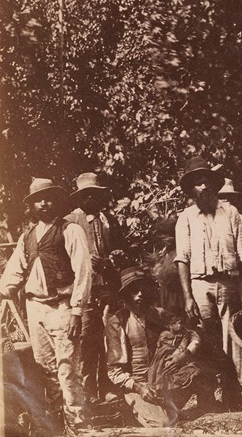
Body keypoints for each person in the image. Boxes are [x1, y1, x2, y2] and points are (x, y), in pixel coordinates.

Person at [0, 178, 92, 431]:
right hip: (35, 307)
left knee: (68, 368)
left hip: (62, 306)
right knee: (45, 368)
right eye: (38, 200)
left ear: (57, 201)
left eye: (49, 198)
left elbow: (83, 271)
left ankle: (77, 425)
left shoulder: (70, 231)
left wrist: (76, 310)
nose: (44, 203)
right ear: (30, 205)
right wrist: (4, 291)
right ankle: (57, 425)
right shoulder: (27, 236)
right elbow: (14, 274)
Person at [174, 156, 242, 410]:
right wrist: (187, 296)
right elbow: (182, 259)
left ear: (214, 186)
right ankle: (206, 396)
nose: (204, 187)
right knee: (204, 339)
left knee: (232, 338)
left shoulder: (230, 213)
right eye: (198, 183)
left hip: (229, 284)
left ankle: (232, 394)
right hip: (200, 285)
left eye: (207, 182)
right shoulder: (185, 218)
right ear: (191, 189)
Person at [105, 267, 210, 427]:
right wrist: (139, 387)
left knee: (199, 373)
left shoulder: (157, 314)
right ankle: (129, 409)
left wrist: (184, 353)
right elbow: (114, 371)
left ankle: (196, 408)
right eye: (134, 290)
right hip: (138, 385)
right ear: (125, 294)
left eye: (142, 289)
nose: (140, 294)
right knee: (163, 423)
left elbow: (192, 334)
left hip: (163, 380)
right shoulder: (118, 321)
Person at [65, 171, 124, 406]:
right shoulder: (70, 222)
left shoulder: (110, 220)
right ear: (79, 198)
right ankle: (88, 390)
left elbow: (121, 251)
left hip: (108, 288)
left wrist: (110, 262)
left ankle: (109, 386)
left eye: (95, 195)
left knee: (111, 338)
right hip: (84, 291)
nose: (91, 200)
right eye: (86, 195)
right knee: (87, 339)